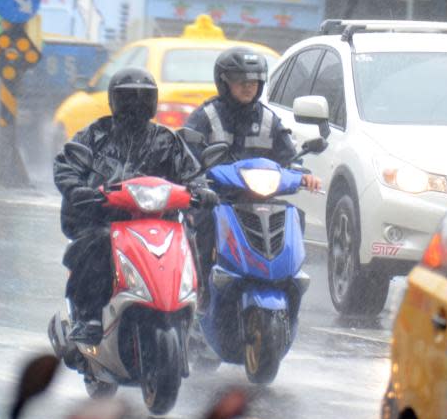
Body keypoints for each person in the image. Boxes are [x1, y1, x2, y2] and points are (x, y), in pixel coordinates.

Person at [53, 67, 199, 345]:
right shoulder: (94, 135)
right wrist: (79, 189)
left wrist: (201, 190)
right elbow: (68, 165)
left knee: (191, 239)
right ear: (113, 101)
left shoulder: (167, 140)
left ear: (153, 102)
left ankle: (193, 308)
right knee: (99, 241)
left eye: (142, 98)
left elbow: (192, 172)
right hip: (103, 219)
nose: (135, 105)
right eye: (127, 98)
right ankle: (89, 315)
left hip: (157, 222)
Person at [181, 46, 321, 310]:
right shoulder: (207, 116)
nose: (248, 86)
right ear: (224, 82)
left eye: (254, 81)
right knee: (203, 222)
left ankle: (287, 280)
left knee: (295, 216)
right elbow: (188, 154)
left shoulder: (269, 119)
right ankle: (201, 292)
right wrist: (195, 177)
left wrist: (304, 175)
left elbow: (289, 157)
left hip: (261, 198)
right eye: (241, 80)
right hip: (220, 198)